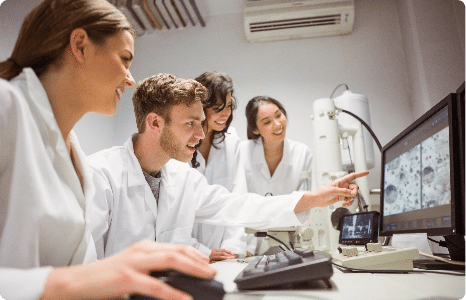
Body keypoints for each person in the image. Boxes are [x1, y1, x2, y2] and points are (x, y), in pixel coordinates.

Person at [0, 1, 214, 299]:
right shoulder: (6, 106)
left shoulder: (74, 152)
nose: (130, 79)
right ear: (80, 45)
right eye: (125, 59)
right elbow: (74, 280)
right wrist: (68, 283)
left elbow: (84, 272)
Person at [88, 73, 369, 262]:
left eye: (202, 122)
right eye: (190, 124)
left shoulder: (182, 177)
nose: (200, 134)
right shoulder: (101, 176)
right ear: (155, 123)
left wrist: (315, 198)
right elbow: (82, 270)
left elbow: (237, 205)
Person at [232, 96, 314, 254]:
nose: (277, 124)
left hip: (291, 242)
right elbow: (238, 202)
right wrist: (242, 249)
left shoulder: (302, 153)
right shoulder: (243, 151)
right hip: (249, 242)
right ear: (255, 129)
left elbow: (306, 203)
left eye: (278, 115)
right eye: (267, 122)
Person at [190, 71, 246, 262]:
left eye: (229, 106)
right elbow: (174, 210)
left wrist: (231, 249)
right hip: (186, 251)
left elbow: (238, 196)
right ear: (200, 107)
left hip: (224, 252)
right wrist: (201, 251)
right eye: (217, 108)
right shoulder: (181, 143)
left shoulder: (232, 142)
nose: (225, 114)